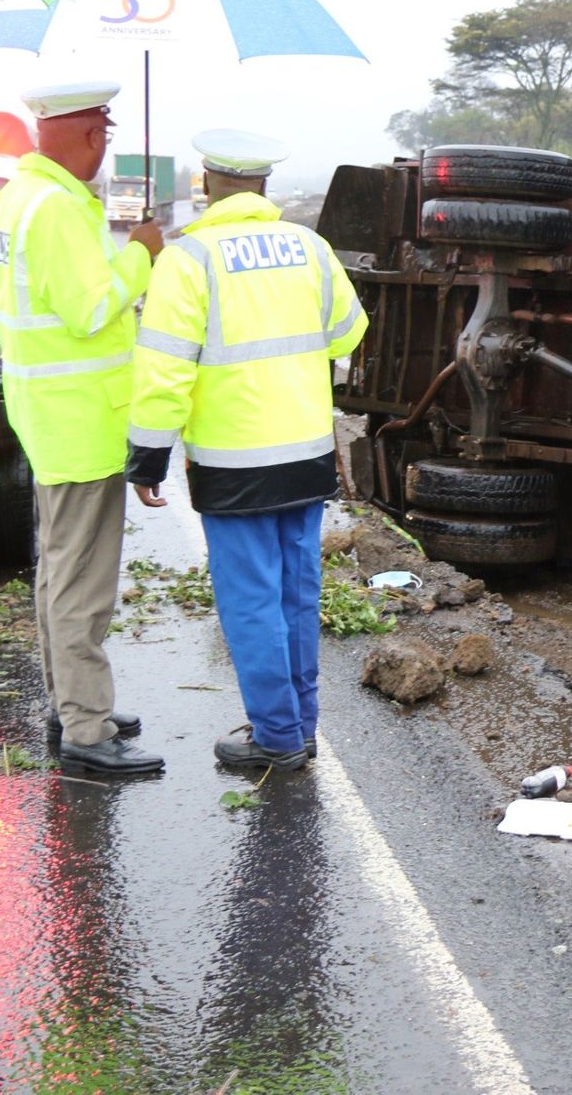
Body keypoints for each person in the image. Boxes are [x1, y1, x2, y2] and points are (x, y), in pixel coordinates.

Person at [127, 130, 367, 770]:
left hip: (234, 464)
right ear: (264, 187)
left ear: (208, 186)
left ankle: (278, 737)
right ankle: (300, 724)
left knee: (251, 601)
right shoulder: (311, 248)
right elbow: (349, 333)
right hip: (307, 456)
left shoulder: (189, 259)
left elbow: (164, 370)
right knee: (297, 593)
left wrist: (148, 457)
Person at [0, 82, 164, 776]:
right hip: (81, 420)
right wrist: (142, 252)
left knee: (59, 573)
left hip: (51, 415)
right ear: (91, 135)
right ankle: (87, 730)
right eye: (104, 137)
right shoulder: (55, 208)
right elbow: (92, 310)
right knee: (82, 583)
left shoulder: (15, 199)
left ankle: (71, 704)